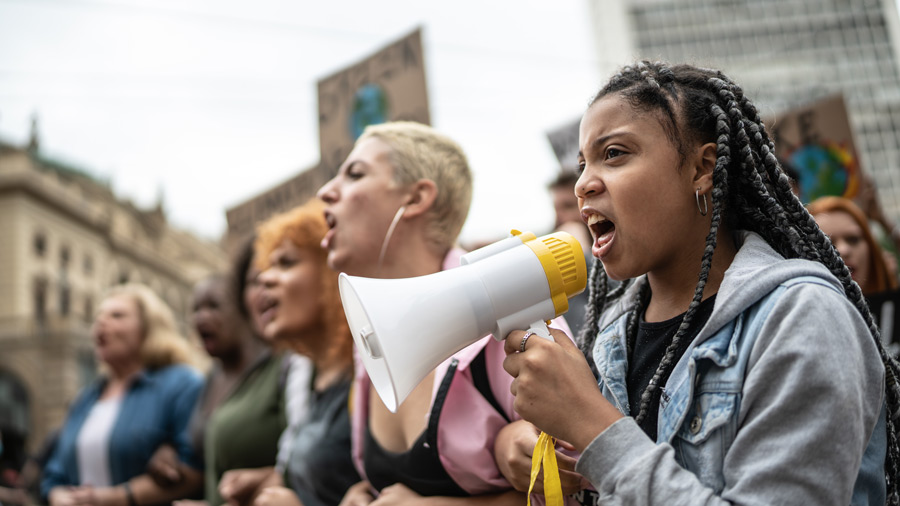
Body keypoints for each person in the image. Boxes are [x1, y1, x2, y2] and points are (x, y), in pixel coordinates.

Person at [499, 61, 899, 505]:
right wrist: (536, 450)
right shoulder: (611, 333)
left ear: (701, 168)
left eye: (613, 154)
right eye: (582, 164)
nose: (583, 185)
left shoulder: (801, 316)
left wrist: (593, 429)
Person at [317, 121, 560, 505]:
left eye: (355, 174)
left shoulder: (508, 302)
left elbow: (577, 482)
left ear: (416, 198)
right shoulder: (371, 330)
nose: (325, 192)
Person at [227, 200, 358, 506]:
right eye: (266, 268)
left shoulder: (368, 375)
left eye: (286, 263)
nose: (265, 279)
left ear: (332, 268)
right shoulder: (314, 380)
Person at [42, 284, 205, 506]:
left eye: (117, 315)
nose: (101, 321)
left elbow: (193, 468)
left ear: (149, 328)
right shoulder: (85, 399)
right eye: (98, 315)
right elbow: (54, 472)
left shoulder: (182, 383)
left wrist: (108, 499)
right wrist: (58, 496)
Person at [810, 196, 900, 355]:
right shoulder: (805, 323)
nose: (844, 250)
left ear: (871, 249)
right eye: (827, 243)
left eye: (853, 239)